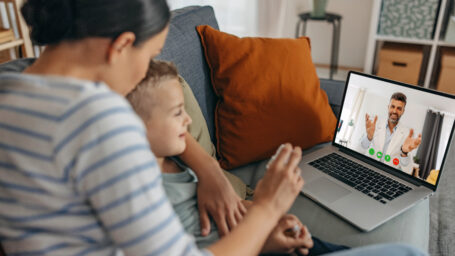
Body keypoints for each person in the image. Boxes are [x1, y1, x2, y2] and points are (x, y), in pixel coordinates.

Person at [0, 0, 304, 255]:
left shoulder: (10, 80)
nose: (145, 71)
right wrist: (266, 208)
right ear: (121, 46)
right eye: (149, 57)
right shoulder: (102, 123)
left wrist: (208, 167)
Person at [125, 60, 427, 256]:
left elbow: (223, 211)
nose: (189, 121)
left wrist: (259, 213)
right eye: (178, 113)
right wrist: (264, 223)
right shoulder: (134, 196)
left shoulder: (175, 158)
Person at [360, 92, 422, 175]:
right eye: (392, 106)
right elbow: (359, 149)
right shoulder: (375, 124)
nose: (394, 111)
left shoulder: (407, 134)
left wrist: (404, 153)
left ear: (403, 111)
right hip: (367, 170)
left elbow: (408, 170)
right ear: (388, 107)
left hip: (388, 176)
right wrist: (368, 137)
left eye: (399, 108)